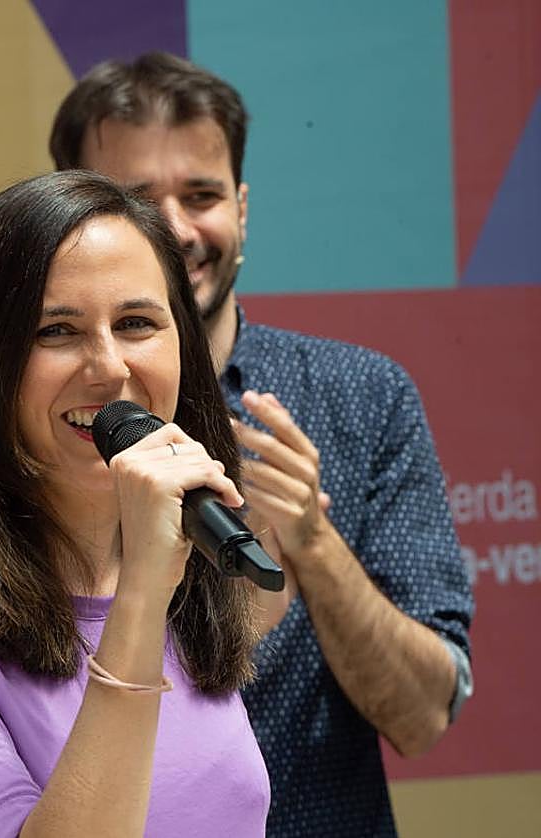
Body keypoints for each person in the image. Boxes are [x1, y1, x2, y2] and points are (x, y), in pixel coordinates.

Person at [50, 52, 474, 837]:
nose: (177, 228)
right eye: (139, 201)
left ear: (242, 206)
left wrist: (313, 544)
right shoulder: (40, 429)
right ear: (69, 218)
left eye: (202, 195)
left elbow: (424, 716)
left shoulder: (361, 397)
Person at [0, 170, 269, 837]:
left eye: (138, 323)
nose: (109, 367)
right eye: (56, 331)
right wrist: (143, 597)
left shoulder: (186, 567)